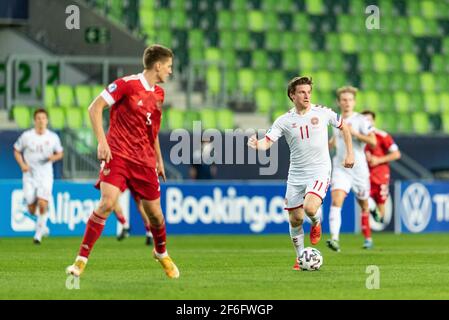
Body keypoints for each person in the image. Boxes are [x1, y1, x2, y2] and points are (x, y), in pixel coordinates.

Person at [66, 44, 179, 279]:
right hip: (117, 154)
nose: (170, 71)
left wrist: (159, 160)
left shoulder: (159, 94)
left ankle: (161, 253)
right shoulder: (127, 84)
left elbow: (153, 131)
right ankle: (79, 261)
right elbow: (94, 108)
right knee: (107, 202)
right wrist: (102, 142)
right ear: (157, 66)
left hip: (144, 160)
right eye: (169, 66)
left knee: (156, 215)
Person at [248, 76, 354, 270]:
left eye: (308, 92)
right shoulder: (284, 120)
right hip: (296, 174)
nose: (306, 96)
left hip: (319, 171)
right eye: (302, 92)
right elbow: (267, 142)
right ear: (292, 95)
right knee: (295, 219)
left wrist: (350, 153)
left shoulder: (322, 113)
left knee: (310, 208)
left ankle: (316, 222)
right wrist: (257, 145)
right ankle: (300, 258)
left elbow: (344, 127)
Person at [327, 86, 377, 252]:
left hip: (359, 169)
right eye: (344, 100)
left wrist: (355, 134)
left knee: (363, 202)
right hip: (341, 168)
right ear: (339, 102)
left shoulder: (361, 120)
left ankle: (372, 206)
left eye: (349, 99)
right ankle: (334, 239)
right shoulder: (335, 120)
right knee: (336, 200)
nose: (347, 102)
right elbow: (334, 141)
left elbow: (373, 142)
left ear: (354, 102)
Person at [13, 108, 64, 244]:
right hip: (29, 175)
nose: (41, 121)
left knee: (42, 203)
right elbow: (17, 150)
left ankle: (38, 235)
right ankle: (43, 224)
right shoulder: (27, 136)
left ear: (47, 121)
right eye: (38, 118)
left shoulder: (53, 137)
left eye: (43, 118)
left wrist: (52, 157)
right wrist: (22, 165)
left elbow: (60, 153)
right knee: (31, 208)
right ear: (34, 120)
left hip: (45, 175)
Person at [362, 110, 401, 223]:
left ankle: (377, 217)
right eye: (364, 120)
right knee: (364, 204)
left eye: (369, 120)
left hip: (380, 176)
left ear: (373, 121)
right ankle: (367, 238)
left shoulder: (382, 136)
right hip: (364, 176)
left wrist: (379, 160)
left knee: (380, 208)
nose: (367, 122)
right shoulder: (358, 137)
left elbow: (396, 154)